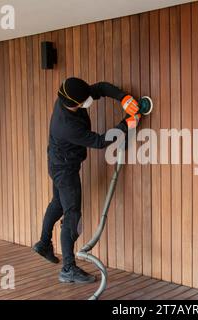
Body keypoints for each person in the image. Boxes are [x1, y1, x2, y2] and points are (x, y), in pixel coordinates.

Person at [33, 77, 141, 283]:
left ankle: (44, 243)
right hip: (65, 169)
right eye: (84, 101)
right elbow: (100, 141)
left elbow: (99, 87)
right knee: (72, 214)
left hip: (57, 162)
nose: (88, 101)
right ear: (75, 103)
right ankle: (68, 268)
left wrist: (123, 98)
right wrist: (126, 123)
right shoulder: (67, 125)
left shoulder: (68, 96)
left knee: (58, 203)